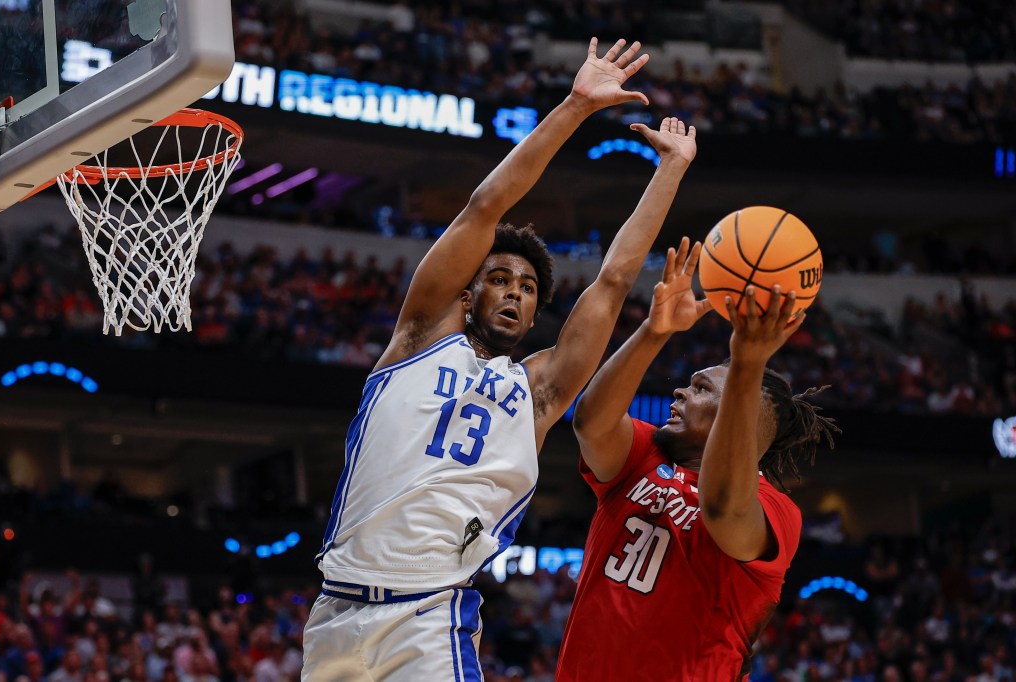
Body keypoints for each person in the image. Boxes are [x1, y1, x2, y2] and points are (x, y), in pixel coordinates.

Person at [303, 37, 699, 680]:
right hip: (333, 612)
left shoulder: (539, 389)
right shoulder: (420, 336)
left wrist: (671, 170)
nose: (515, 292)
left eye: (528, 288)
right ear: (466, 292)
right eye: (500, 278)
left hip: (427, 615)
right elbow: (486, 206)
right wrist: (574, 107)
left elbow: (611, 282)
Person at [555, 249, 839, 680]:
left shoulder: (775, 510)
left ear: (735, 415)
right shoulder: (646, 456)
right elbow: (591, 422)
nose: (679, 394)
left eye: (701, 389)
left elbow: (723, 506)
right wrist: (654, 330)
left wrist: (747, 364)